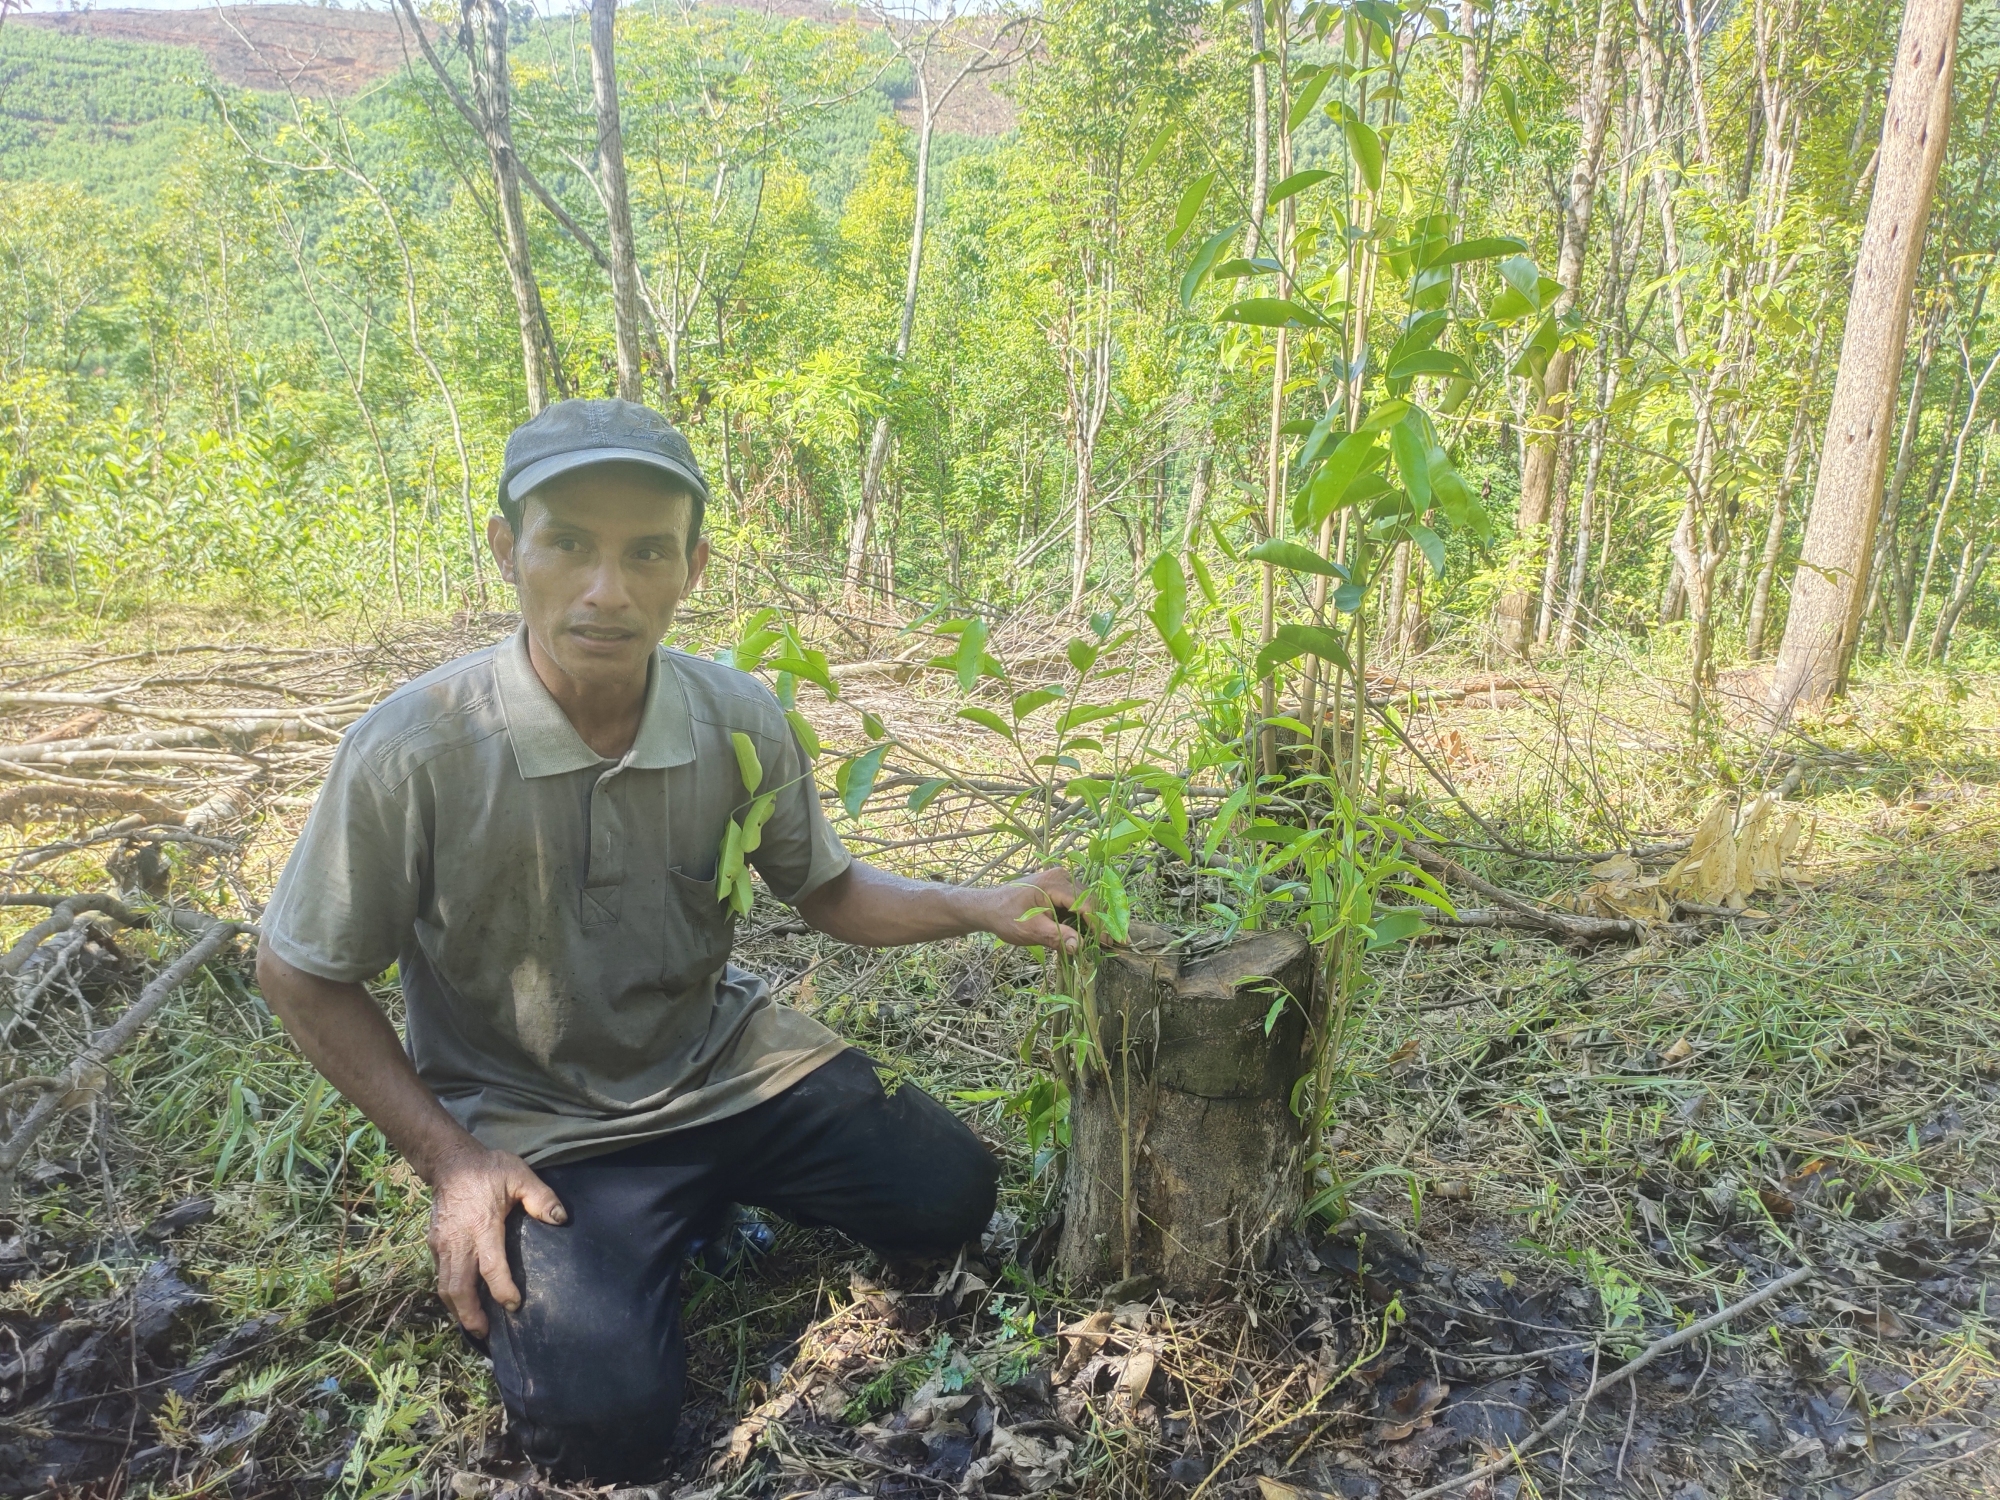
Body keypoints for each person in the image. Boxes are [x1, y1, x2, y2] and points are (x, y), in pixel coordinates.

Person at [255, 398, 1078, 1482]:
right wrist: (452, 1163)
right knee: (599, 1428)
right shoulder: (422, 750)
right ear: (508, 550)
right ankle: (645, 1228)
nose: (608, 590)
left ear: (691, 565)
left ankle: (702, 1198)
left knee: (949, 1196)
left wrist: (979, 902)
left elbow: (826, 893)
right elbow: (299, 972)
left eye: (647, 551)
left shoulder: (736, 720)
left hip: (725, 1067)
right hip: (541, 1125)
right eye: (568, 545)